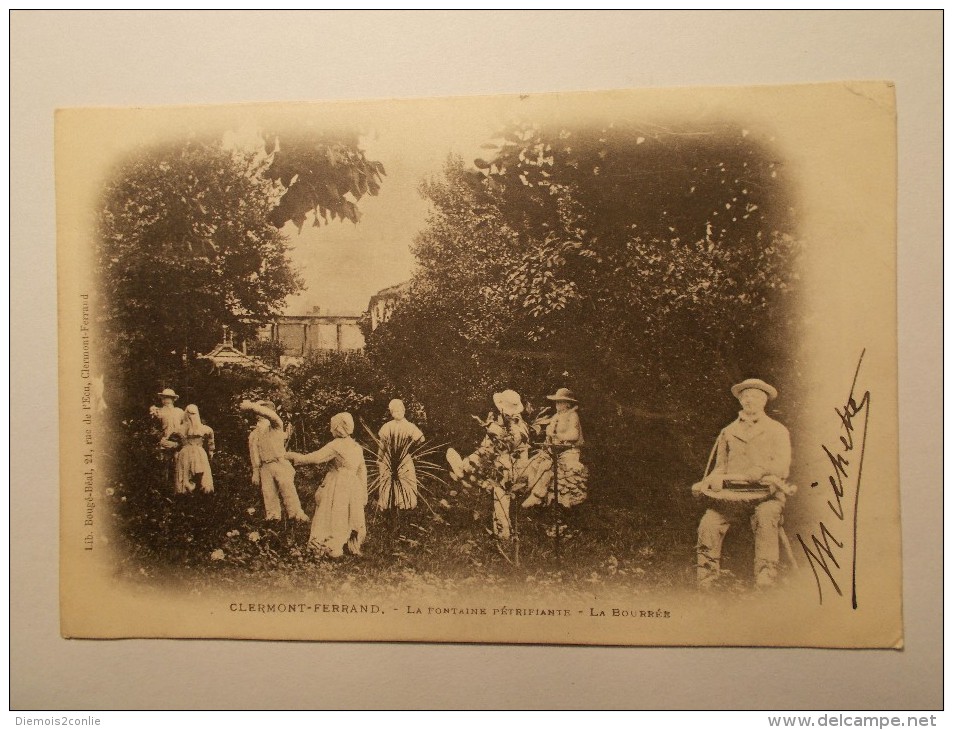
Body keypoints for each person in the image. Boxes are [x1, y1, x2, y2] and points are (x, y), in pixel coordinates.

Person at [691, 378, 796, 589]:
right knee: (709, 523)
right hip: (730, 497)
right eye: (746, 396)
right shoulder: (728, 431)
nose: (750, 401)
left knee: (766, 517)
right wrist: (712, 480)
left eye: (756, 397)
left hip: (766, 494)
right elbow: (720, 466)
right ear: (740, 401)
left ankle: (766, 575)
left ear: (764, 401)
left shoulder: (777, 430)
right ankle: (706, 578)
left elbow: (783, 467)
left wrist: (761, 471)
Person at [447, 389, 530, 540]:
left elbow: (509, 446)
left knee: (500, 494)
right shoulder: (498, 423)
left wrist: (493, 431)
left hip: (514, 467)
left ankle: (503, 532)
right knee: (482, 461)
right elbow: (487, 445)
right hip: (498, 464)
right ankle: (466, 468)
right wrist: (481, 452)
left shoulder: (519, 427)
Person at [287, 413, 368, 558]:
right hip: (353, 484)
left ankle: (329, 546)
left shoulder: (336, 445)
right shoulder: (356, 446)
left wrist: (291, 456)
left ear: (338, 428)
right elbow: (362, 471)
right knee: (347, 514)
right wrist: (363, 491)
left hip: (338, 484)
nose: (330, 429)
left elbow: (314, 458)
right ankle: (350, 545)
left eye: (332, 426)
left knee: (334, 514)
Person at [241, 399, 309, 522]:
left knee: (287, 489)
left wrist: (252, 406)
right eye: (258, 412)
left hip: (279, 463)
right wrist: (256, 472)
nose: (259, 415)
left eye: (262, 411)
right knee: (268, 494)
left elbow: (271, 416)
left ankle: (296, 516)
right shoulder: (254, 434)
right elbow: (254, 455)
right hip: (265, 466)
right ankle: (273, 518)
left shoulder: (276, 425)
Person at [522, 387, 589, 509]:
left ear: (568, 404)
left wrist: (559, 436)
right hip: (555, 449)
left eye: (560, 402)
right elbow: (549, 429)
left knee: (550, 467)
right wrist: (550, 432)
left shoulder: (573, 415)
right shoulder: (556, 416)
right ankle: (529, 491)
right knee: (535, 463)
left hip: (569, 451)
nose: (557, 404)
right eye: (557, 402)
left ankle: (538, 495)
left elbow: (574, 435)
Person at [376, 399, 425, 511]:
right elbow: (382, 445)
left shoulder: (392, 426)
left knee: (400, 479)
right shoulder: (405, 426)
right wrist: (379, 458)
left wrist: (411, 448)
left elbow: (421, 439)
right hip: (399, 458)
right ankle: (396, 502)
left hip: (396, 458)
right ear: (391, 413)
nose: (398, 413)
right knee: (395, 479)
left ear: (404, 410)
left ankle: (399, 502)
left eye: (400, 410)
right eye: (395, 411)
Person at [174, 404, 215, 494]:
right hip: (197, 452)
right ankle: (193, 491)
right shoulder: (205, 429)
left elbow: (211, 441)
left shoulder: (179, 428)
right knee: (191, 472)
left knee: (193, 473)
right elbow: (211, 441)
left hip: (187, 453)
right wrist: (210, 450)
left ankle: (190, 491)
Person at [149, 388, 185, 487]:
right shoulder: (158, 411)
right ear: (161, 399)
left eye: (169, 398)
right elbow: (154, 428)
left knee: (178, 464)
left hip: (177, 442)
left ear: (173, 399)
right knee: (164, 465)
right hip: (164, 442)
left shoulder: (179, 412)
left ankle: (178, 488)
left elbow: (184, 427)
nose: (166, 400)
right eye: (164, 398)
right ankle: (163, 488)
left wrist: (179, 441)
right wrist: (161, 439)